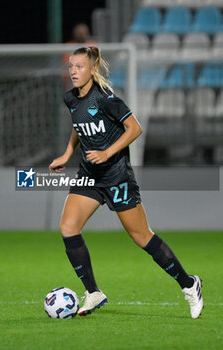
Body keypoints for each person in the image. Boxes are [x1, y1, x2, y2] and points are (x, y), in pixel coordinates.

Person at [49, 46, 204, 319]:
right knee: (68, 227)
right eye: (71, 66)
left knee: (141, 237)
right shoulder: (70, 99)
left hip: (117, 176)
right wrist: (67, 153)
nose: (73, 71)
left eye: (79, 67)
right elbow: (78, 125)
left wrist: (108, 152)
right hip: (89, 175)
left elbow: (135, 128)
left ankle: (189, 284)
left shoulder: (107, 99)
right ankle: (93, 292)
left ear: (92, 69)